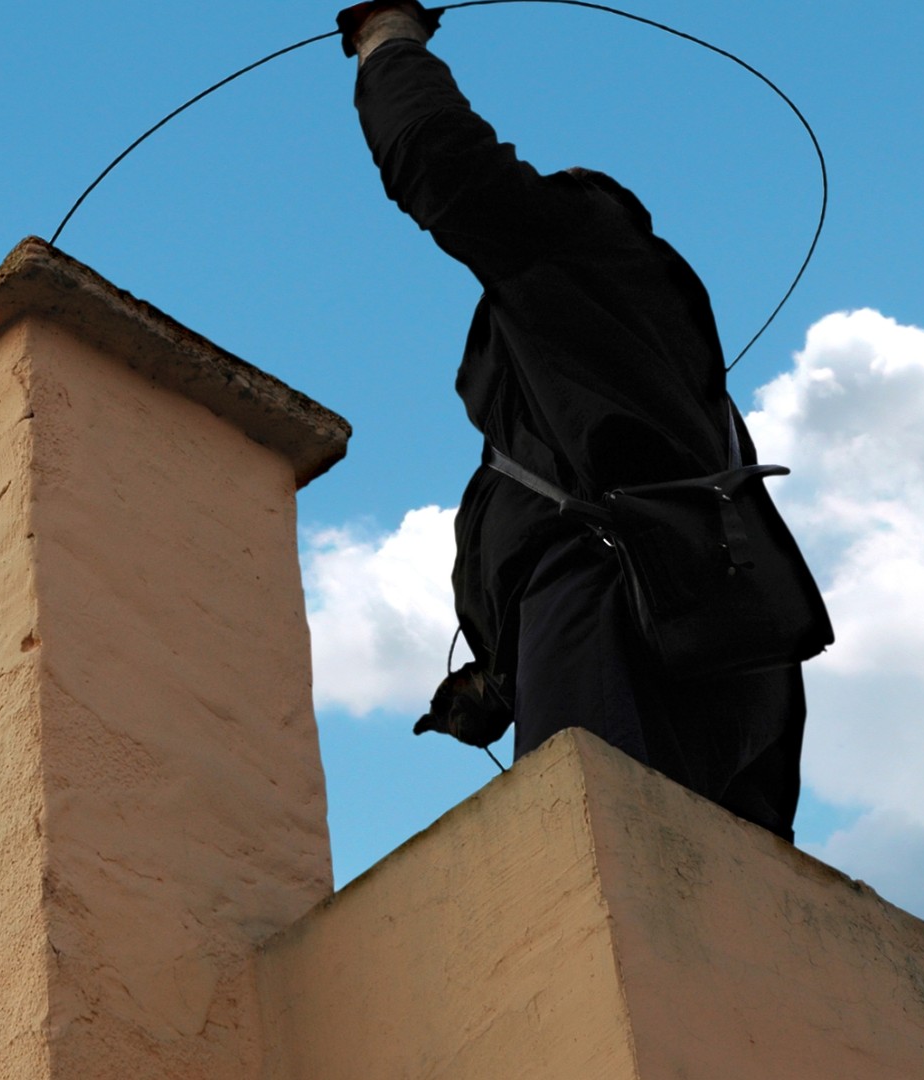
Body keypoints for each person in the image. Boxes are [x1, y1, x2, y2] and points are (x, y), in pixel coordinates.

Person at [337, 1, 809, 840]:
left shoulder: (579, 250)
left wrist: (387, 38)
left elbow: (442, 161)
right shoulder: (630, 360)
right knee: (714, 892)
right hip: (704, 632)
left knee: (591, 848)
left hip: (617, 605)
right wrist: (507, 670)